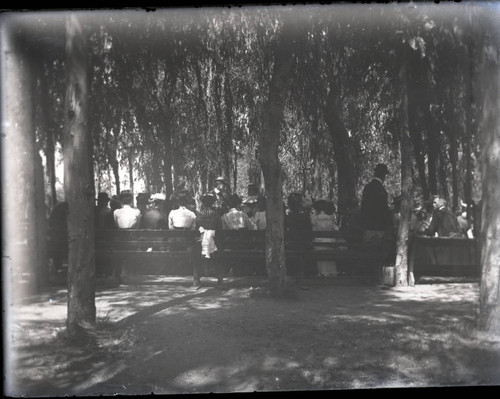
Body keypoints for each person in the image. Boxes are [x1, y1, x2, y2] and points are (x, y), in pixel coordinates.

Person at [360, 163, 393, 245]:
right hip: (379, 227)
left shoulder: (367, 188)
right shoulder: (382, 190)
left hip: (367, 226)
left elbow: (363, 207)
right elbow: (384, 209)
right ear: (384, 175)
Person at [194, 193, 223, 287]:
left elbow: (196, 228)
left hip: (200, 243)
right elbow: (220, 229)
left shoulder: (198, 215)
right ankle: (219, 278)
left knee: (197, 252)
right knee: (217, 252)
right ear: (212, 203)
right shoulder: (216, 215)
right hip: (215, 243)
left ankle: (196, 279)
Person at [311, 199, 339, 277]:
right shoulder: (331, 217)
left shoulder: (314, 218)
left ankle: (323, 272)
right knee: (330, 255)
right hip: (331, 242)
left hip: (319, 243)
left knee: (320, 251)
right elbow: (335, 229)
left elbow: (314, 231)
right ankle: (332, 271)